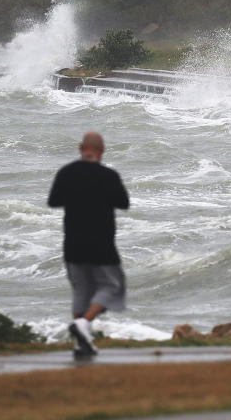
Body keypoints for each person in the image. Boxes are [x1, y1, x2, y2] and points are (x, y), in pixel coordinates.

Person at [48, 131, 130, 358]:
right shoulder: (109, 175)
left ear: (80, 148)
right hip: (101, 242)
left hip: (73, 241)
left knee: (81, 290)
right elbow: (123, 203)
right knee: (112, 286)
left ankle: (80, 344)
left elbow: (54, 201)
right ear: (101, 150)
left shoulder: (66, 173)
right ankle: (84, 324)